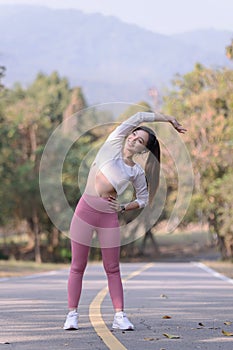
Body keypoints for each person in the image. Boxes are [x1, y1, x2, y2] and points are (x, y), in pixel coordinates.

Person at [63, 111, 186, 331]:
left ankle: (120, 316)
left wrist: (122, 207)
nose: (133, 140)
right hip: (85, 211)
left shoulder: (136, 171)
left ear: (142, 150)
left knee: (112, 268)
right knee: (77, 266)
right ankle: (72, 314)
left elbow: (143, 199)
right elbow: (138, 116)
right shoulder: (112, 144)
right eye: (134, 135)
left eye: (140, 141)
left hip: (108, 217)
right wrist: (168, 118)